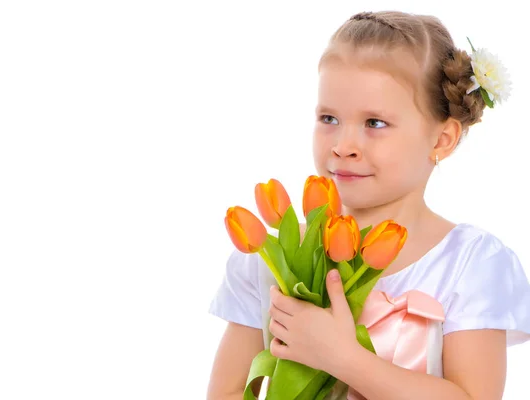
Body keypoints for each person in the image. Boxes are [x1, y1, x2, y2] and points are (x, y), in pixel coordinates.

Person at [206, 10, 530, 400]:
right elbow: (225, 392)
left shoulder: (470, 266)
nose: (343, 145)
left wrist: (343, 358)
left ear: (442, 140)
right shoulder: (269, 261)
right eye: (329, 118)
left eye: (374, 123)